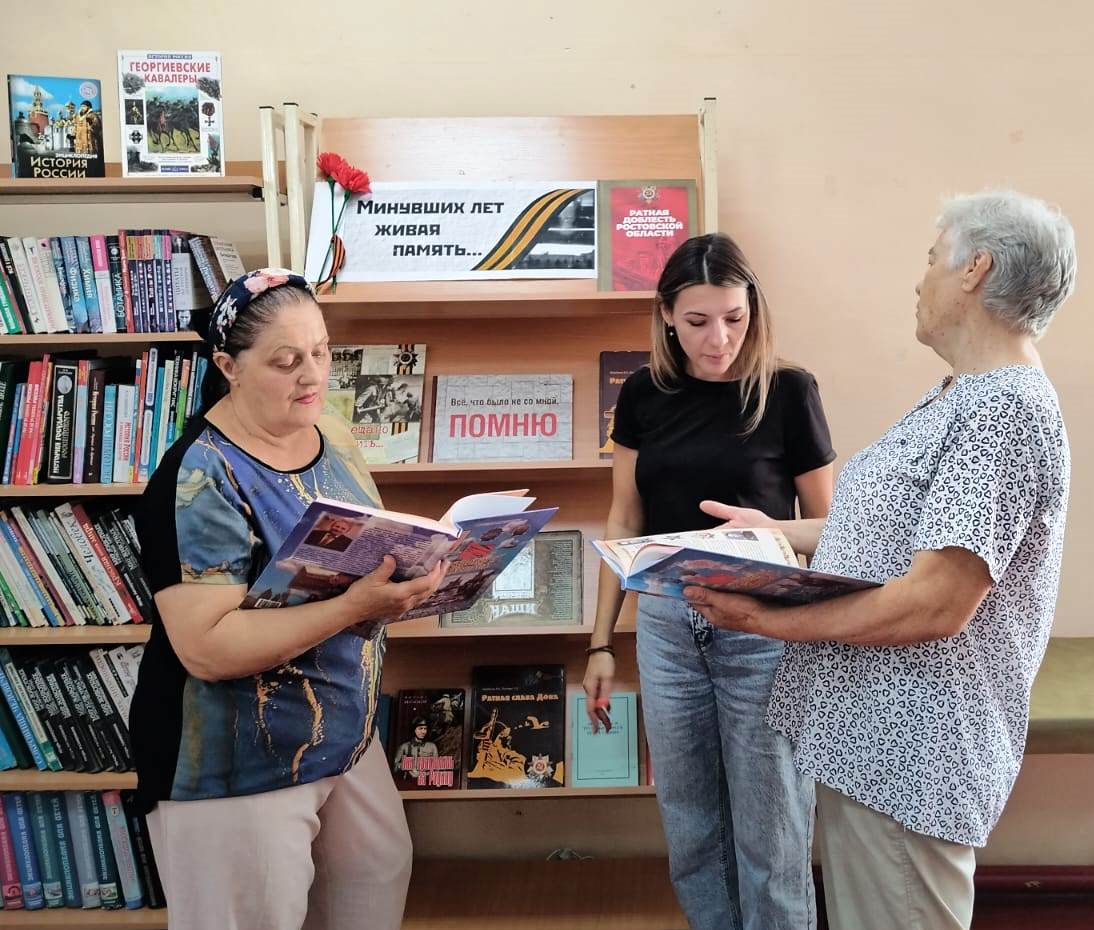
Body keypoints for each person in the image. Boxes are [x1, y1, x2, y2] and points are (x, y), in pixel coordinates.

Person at [686, 191, 1075, 930]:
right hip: (875, 749)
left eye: (931, 260)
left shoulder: (1003, 413)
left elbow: (935, 602)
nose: (919, 280)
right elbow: (892, 533)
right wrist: (774, 531)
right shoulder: (967, 396)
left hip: (911, 760)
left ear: (975, 270)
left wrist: (763, 621)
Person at [128, 269, 448, 930]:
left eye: (321, 352)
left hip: (344, 734)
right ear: (229, 366)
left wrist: (418, 571)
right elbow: (208, 649)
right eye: (286, 361)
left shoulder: (330, 428)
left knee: (375, 882)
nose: (312, 375)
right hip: (237, 761)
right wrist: (356, 608)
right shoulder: (197, 477)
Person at [583, 233, 836, 930]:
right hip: (666, 625)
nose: (718, 339)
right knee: (690, 823)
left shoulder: (789, 391)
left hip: (763, 628)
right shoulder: (643, 393)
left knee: (773, 825)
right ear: (666, 315)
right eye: (696, 321)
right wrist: (600, 643)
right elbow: (624, 516)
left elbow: (833, 530)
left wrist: (768, 531)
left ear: (753, 309)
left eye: (734, 318)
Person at [392, 718, 438, 782]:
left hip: (426, 783)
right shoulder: (404, 747)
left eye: (425, 728)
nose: (423, 731)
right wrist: (404, 765)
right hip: (409, 783)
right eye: (420, 728)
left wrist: (426, 773)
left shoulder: (432, 746)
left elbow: (437, 768)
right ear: (414, 729)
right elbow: (394, 768)